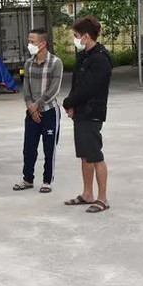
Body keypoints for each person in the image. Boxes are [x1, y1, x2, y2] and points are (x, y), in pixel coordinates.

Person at [62, 16, 112, 213]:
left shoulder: (100, 58)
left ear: (86, 36)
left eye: (76, 36)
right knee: (84, 156)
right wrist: (72, 104)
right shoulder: (84, 56)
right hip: (81, 112)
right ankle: (87, 194)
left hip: (93, 112)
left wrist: (69, 102)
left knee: (95, 155)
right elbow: (77, 84)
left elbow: (90, 88)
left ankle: (103, 198)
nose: (74, 39)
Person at [13, 28, 64, 194]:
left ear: (42, 44)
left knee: (49, 148)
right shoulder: (28, 63)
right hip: (31, 112)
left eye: (32, 41)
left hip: (49, 112)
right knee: (29, 148)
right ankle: (27, 179)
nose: (29, 44)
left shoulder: (56, 63)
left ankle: (47, 180)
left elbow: (54, 90)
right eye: (29, 41)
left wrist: (38, 105)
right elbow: (26, 88)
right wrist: (30, 106)